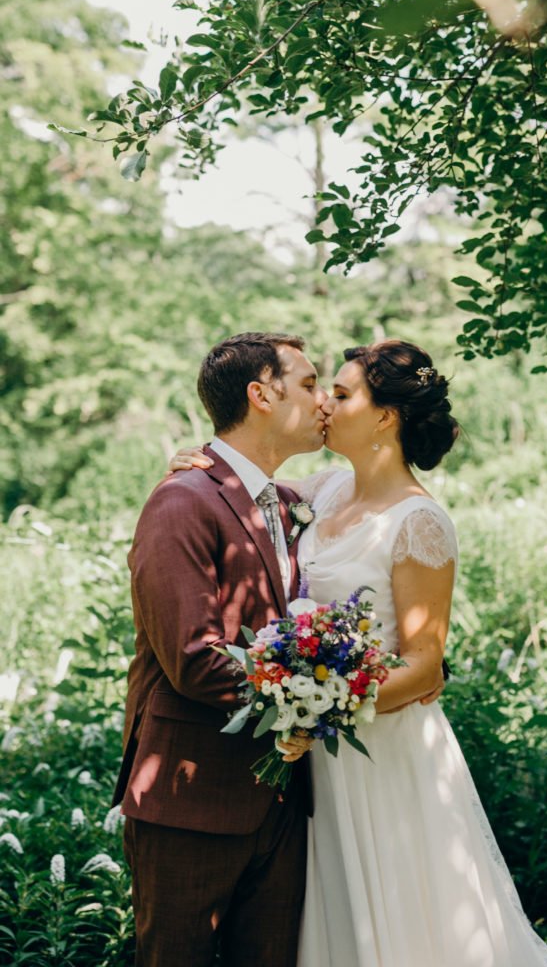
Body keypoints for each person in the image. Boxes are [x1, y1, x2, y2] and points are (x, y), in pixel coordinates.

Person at [170, 339, 547, 967]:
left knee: (406, 920)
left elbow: (424, 665)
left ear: (385, 417)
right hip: (318, 764)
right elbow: (245, 481)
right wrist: (199, 460)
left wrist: (315, 706)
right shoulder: (323, 492)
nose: (326, 401)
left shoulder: (420, 522)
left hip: (381, 753)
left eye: (344, 392)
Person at [113, 331, 327, 967]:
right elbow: (193, 655)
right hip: (191, 797)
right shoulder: (182, 500)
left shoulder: (291, 504)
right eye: (311, 385)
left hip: (283, 801)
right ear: (261, 394)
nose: (324, 403)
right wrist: (312, 708)